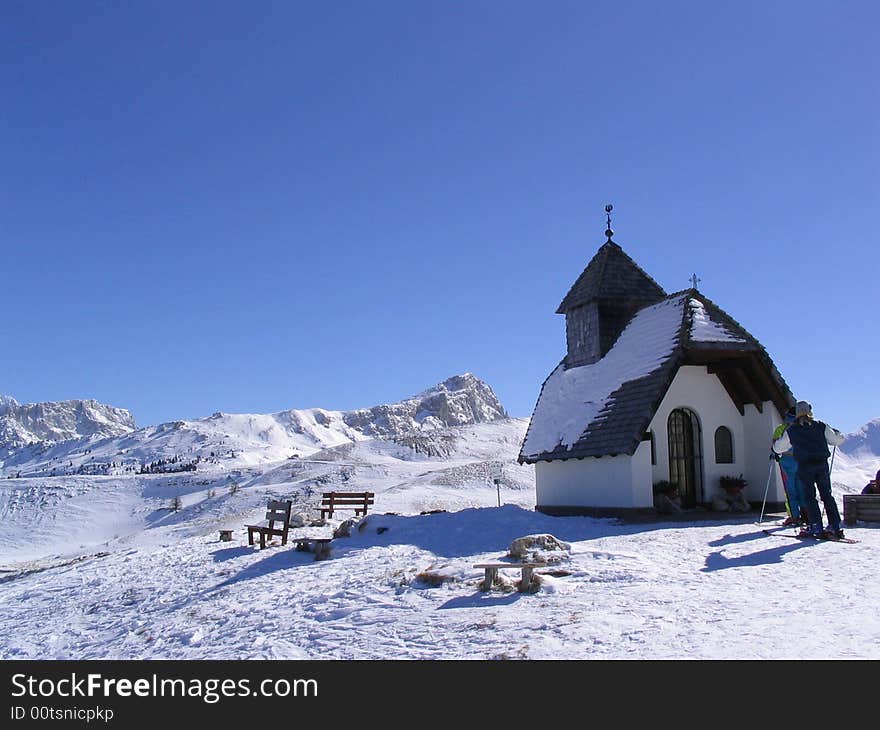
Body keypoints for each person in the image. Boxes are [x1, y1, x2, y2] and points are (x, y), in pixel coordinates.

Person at [772, 400, 846, 539]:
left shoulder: (792, 430)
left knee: (809, 497)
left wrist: (775, 448)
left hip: (805, 465)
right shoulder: (820, 425)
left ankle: (815, 526)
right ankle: (835, 526)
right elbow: (836, 440)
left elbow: (779, 447)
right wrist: (839, 435)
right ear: (810, 412)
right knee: (827, 495)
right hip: (821, 464)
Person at [772, 406, 808, 526]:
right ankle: (806, 515)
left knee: (790, 490)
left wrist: (774, 454)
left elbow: (775, 445)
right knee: (802, 488)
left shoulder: (782, 428)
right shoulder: (804, 427)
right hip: (802, 461)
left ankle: (794, 516)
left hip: (786, 461)